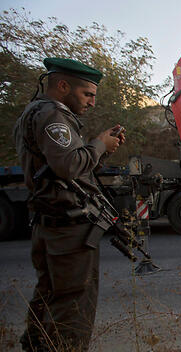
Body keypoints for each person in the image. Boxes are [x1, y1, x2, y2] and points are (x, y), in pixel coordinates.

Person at [13, 58, 125, 352]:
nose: (91, 102)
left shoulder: (34, 112)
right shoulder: (52, 115)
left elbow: (62, 169)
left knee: (49, 295)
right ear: (62, 86)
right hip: (68, 229)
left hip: (50, 224)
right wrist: (99, 145)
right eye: (87, 94)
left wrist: (102, 149)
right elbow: (69, 165)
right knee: (73, 306)